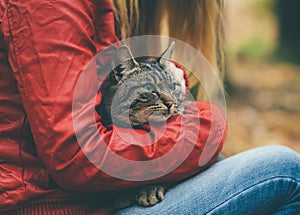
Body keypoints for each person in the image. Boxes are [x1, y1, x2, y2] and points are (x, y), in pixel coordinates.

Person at [0, 0, 299, 215]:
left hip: (84, 201)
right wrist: (207, 126)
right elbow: (76, 154)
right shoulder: (47, 5)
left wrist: (167, 80)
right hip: (59, 206)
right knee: (285, 173)